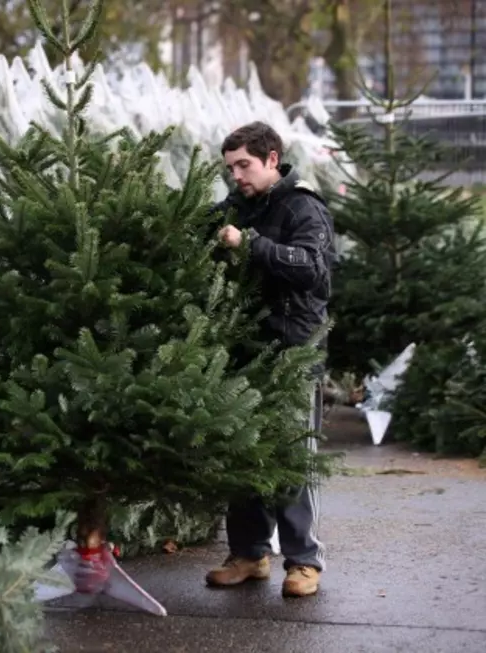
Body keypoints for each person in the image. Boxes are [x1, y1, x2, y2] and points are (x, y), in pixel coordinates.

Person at [205, 121, 336, 598]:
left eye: (244, 165)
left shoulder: (303, 205)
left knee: (291, 457)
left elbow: (314, 270)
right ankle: (248, 554)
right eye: (230, 167)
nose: (236, 175)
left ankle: (304, 561)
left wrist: (252, 244)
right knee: (241, 452)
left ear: (272, 159)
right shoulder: (240, 204)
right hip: (245, 348)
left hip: (293, 350)